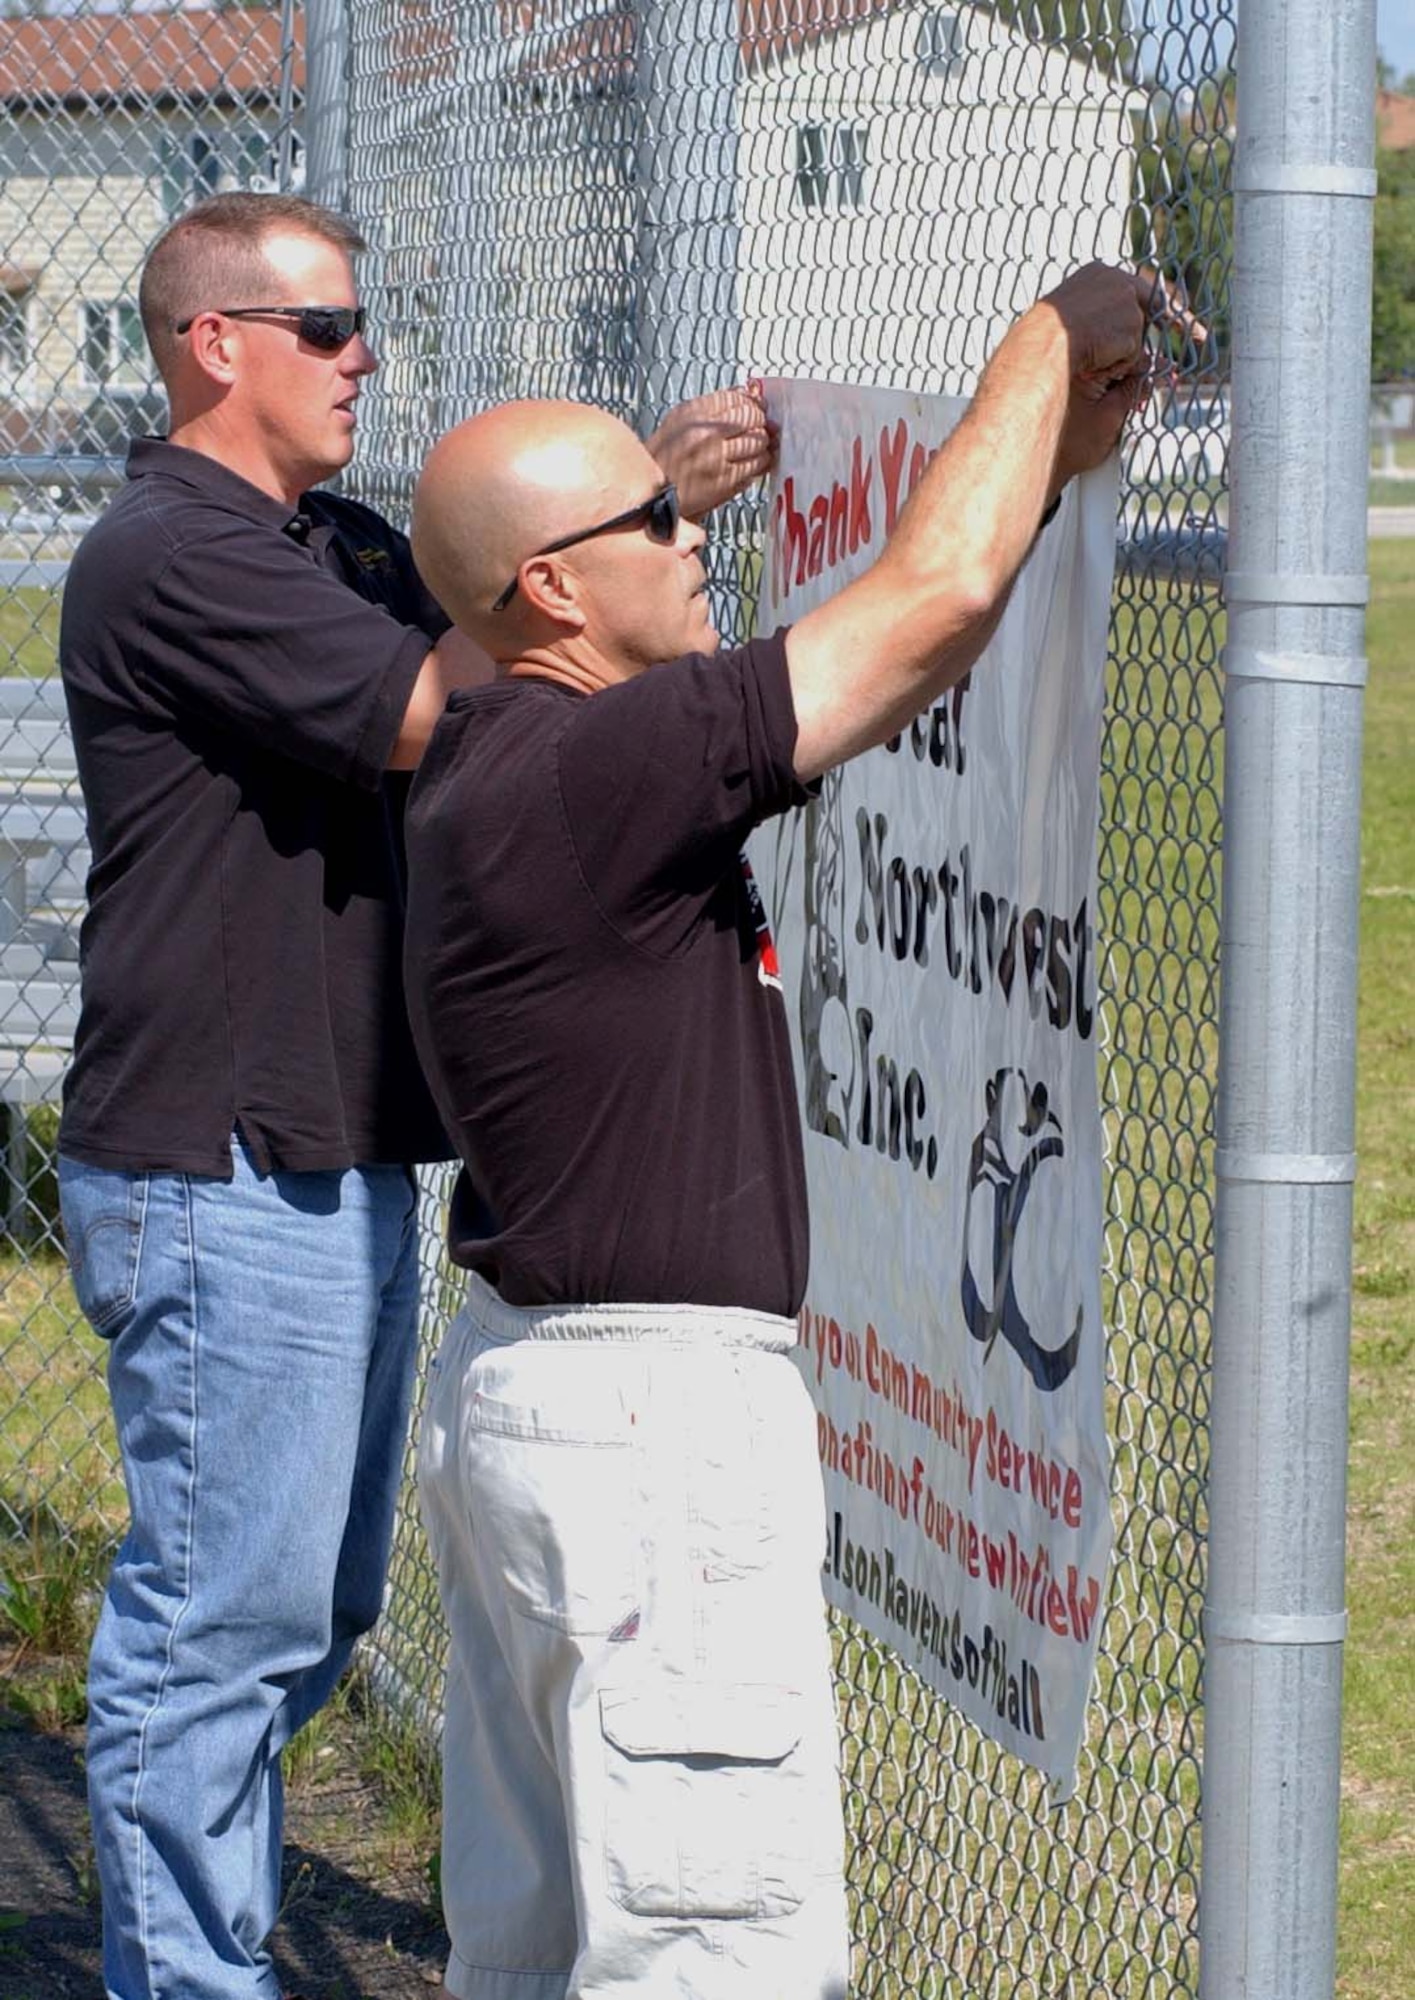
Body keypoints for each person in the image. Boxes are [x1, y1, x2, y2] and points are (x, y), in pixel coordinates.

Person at [400, 259, 1162, 2000]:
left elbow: (939, 603)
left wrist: (1041, 461)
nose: (691, 535)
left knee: (540, 1949)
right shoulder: (591, 770)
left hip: (541, 1391)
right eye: (651, 517)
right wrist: (1042, 336)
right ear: (552, 587)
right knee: (707, 1957)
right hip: (650, 1433)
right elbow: (931, 593)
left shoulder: (504, 764)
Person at [56, 189, 772, 2000]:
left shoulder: (338, 539)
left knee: (306, 1615)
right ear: (217, 345)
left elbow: (507, 600)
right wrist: (642, 513)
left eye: (361, 322)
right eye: (326, 327)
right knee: (222, 1631)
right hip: (223, 1166)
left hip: (331, 1158)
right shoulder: (172, 550)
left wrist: (640, 515)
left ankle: (199, 1948)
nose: (362, 351)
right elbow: (435, 698)